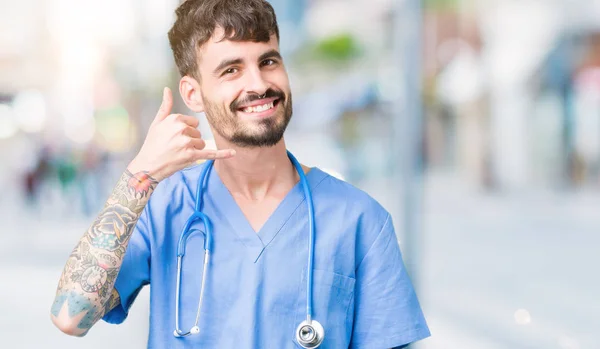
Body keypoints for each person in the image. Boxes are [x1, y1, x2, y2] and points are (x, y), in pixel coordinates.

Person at [50, 0, 430, 347]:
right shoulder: (163, 207)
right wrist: (139, 176)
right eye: (231, 70)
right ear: (193, 93)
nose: (259, 84)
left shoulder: (359, 220)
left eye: (268, 61)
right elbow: (71, 315)